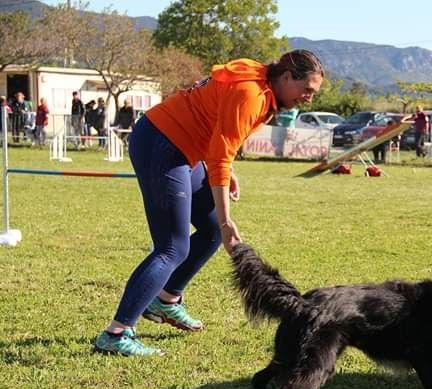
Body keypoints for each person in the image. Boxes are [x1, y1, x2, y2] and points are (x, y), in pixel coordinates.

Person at [93, 49, 325, 356]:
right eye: (306, 90)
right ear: (285, 77)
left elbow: (217, 130)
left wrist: (229, 174)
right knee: (173, 247)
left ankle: (166, 298)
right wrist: (229, 220)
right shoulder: (252, 94)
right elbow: (220, 152)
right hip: (163, 143)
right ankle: (117, 333)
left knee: (212, 228)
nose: (309, 98)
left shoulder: (262, 86)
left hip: (181, 146)